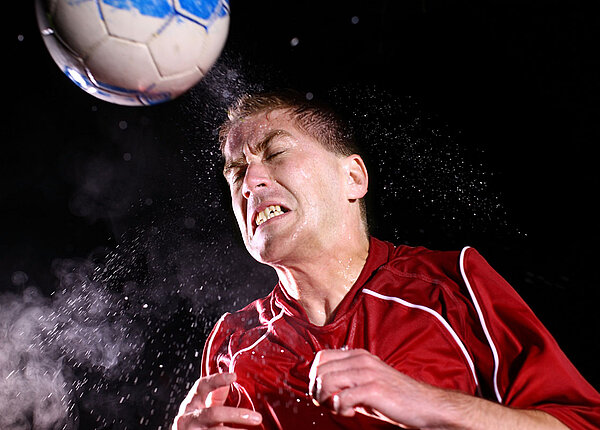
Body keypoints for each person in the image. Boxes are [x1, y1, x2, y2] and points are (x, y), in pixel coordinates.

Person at [173, 90, 600, 429]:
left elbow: (582, 423)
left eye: (275, 153)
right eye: (236, 171)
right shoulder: (232, 343)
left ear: (353, 177)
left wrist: (429, 403)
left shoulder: (451, 284)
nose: (249, 182)